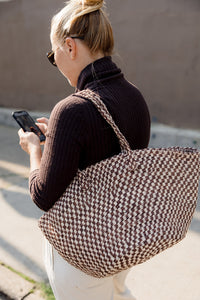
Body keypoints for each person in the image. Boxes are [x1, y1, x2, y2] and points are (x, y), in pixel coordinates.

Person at [18, 0, 151, 299]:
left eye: (54, 56)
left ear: (69, 46)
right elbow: (112, 157)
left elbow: (42, 195)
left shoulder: (72, 109)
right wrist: (60, 139)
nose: (56, 63)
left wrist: (34, 151)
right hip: (123, 240)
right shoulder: (135, 98)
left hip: (81, 250)